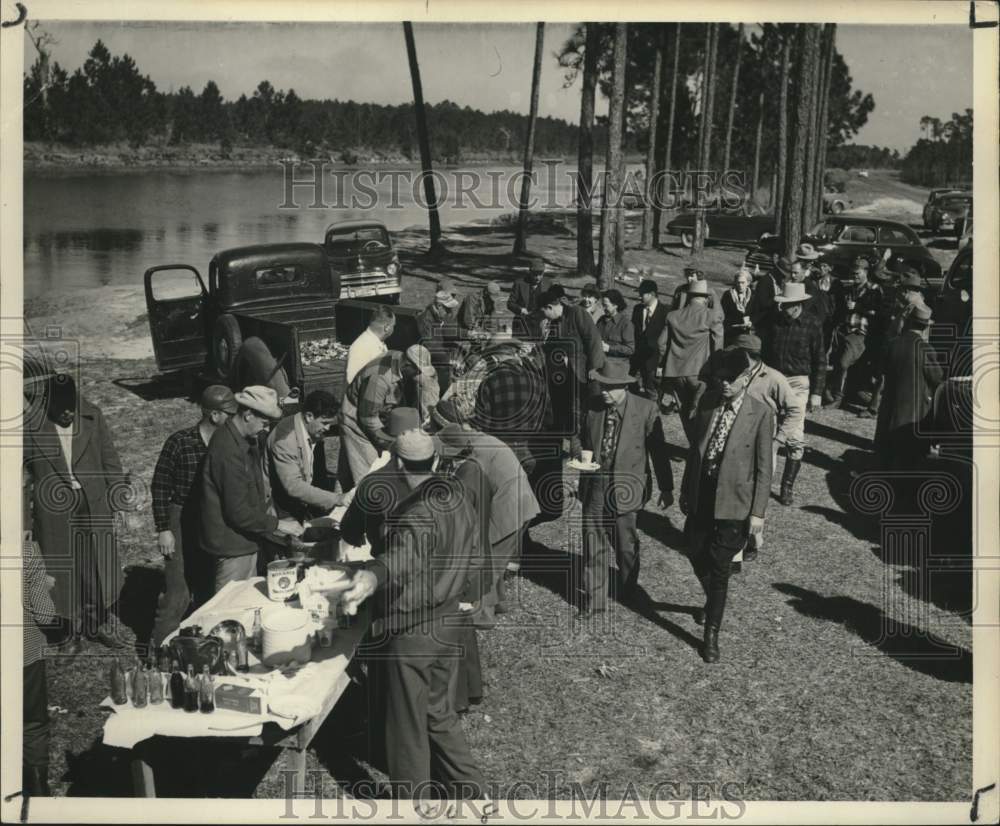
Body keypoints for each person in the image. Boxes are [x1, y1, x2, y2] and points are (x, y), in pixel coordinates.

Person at [340, 430, 489, 801]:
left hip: (415, 630)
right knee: (438, 714)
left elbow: (402, 559)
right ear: (436, 462)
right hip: (450, 620)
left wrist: (372, 575)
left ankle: (411, 806)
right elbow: (473, 552)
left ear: (399, 463)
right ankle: (476, 795)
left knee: (405, 727)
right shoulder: (456, 494)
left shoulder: (416, 515)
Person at [23, 374, 136, 652]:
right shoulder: (31, 425)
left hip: (91, 502)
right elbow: (20, 477)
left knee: (94, 566)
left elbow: (110, 459)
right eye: (61, 410)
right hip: (53, 510)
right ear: (48, 404)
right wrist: (24, 521)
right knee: (61, 570)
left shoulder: (92, 416)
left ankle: (94, 624)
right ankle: (67, 633)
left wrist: (119, 501)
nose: (68, 414)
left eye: (71, 407)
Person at [681, 348, 773, 663]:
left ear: (746, 378)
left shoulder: (761, 414)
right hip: (702, 495)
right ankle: (713, 602)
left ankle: (711, 636)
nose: (724, 386)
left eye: (731, 380)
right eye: (720, 379)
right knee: (694, 549)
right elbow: (695, 452)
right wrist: (685, 490)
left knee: (720, 566)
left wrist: (758, 513)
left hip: (735, 503)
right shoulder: (707, 403)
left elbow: (764, 469)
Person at [575, 361, 674, 618]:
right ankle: (595, 601)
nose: (603, 390)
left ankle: (629, 588)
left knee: (625, 544)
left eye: (609, 386)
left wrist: (666, 487)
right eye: (601, 385)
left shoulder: (645, 409)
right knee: (592, 540)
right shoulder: (593, 407)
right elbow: (578, 435)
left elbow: (659, 452)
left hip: (627, 486)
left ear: (624, 386)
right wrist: (580, 454)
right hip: (596, 483)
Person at [433, 398, 540, 620]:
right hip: (521, 501)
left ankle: (483, 616)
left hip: (510, 507)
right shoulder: (478, 439)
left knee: (488, 563)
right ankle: (498, 604)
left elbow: (469, 491)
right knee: (496, 560)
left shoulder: (474, 453)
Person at [699, 334, 802, 564]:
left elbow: (795, 409)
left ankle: (751, 543)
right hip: (734, 445)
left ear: (748, 355)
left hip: (761, 445)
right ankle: (729, 550)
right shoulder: (731, 373)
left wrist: (778, 440)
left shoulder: (774, 378)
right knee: (732, 497)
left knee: (755, 497)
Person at [149, 384, 237, 648]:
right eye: (229, 414)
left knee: (210, 586)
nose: (233, 419)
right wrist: (164, 528)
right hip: (180, 517)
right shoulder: (179, 442)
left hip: (212, 519)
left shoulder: (229, 444)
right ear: (215, 415)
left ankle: (201, 647)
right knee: (178, 592)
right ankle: (159, 650)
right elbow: (160, 485)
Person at [200, 386, 303, 592]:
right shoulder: (228, 451)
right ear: (247, 415)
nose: (266, 429)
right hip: (232, 546)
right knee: (230, 606)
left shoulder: (241, 440)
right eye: (264, 423)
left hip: (244, 541)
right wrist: (279, 525)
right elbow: (238, 512)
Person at [757, 282, 825, 506]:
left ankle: (787, 486)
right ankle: (764, 482)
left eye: (786, 305)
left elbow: (820, 361)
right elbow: (764, 352)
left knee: (794, 435)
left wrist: (816, 393)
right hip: (774, 379)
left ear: (797, 305)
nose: (782, 309)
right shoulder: (774, 322)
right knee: (770, 430)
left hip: (798, 383)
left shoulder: (813, 325)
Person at [338, 345, 438, 491]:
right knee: (368, 471)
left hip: (375, 411)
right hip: (356, 420)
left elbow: (428, 384)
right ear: (407, 364)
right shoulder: (378, 379)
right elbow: (368, 419)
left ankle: (339, 503)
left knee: (348, 470)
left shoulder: (401, 361)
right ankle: (365, 504)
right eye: (417, 371)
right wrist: (390, 443)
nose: (418, 375)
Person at [874, 305, 943, 470]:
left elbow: (880, 372)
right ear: (925, 327)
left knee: (888, 454)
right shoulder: (925, 349)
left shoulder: (893, 344)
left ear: (909, 322)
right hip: (913, 414)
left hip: (889, 409)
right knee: (908, 458)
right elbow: (937, 379)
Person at [538, 285, 605, 455]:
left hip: (582, 373)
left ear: (550, 307)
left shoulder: (577, 313)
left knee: (581, 413)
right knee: (568, 413)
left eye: (544, 312)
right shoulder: (554, 322)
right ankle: (572, 450)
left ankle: (584, 450)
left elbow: (594, 340)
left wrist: (594, 367)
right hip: (562, 375)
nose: (544, 317)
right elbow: (551, 347)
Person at [658, 279, 724, 446]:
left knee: (684, 412)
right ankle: (699, 449)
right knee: (702, 413)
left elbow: (660, 344)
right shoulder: (711, 316)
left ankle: (693, 446)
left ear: (689, 296)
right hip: (700, 373)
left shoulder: (673, 316)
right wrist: (717, 368)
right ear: (706, 298)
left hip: (675, 373)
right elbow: (718, 343)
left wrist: (663, 364)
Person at [267, 389, 349, 522]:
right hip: (279, 507)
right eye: (324, 423)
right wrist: (337, 499)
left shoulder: (309, 430)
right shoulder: (285, 441)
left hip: (296, 503)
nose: (328, 428)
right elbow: (293, 486)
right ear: (309, 416)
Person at [823, 256, 884, 408]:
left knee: (844, 364)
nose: (854, 277)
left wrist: (857, 307)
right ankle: (836, 392)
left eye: (857, 274)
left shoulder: (874, 290)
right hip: (844, 330)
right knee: (838, 363)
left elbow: (878, 313)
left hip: (860, 333)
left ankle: (838, 397)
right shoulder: (850, 289)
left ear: (866, 272)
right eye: (853, 274)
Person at [22, 535, 57, 797]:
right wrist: (44, 585)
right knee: (33, 724)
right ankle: (37, 790)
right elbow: (45, 615)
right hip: (25, 655)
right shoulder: (26, 550)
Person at [631, 278, 669, 399]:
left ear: (652, 294)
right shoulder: (637, 309)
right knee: (632, 387)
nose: (639, 296)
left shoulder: (665, 312)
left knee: (652, 391)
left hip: (654, 360)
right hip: (637, 357)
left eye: (642, 294)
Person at [346, 305, 396, 385]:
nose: (393, 329)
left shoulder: (378, 343)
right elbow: (351, 381)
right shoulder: (361, 347)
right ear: (387, 327)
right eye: (393, 326)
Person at [507, 259, 552, 330]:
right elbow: (510, 303)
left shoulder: (548, 283)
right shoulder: (519, 284)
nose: (537, 278)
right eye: (535, 274)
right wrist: (521, 310)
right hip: (522, 325)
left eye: (540, 274)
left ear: (543, 273)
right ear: (530, 272)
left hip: (540, 326)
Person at [596, 289, 636, 366]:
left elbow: (630, 349)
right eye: (602, 305)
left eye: (606, 306)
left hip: (617, 367)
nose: (603, 308)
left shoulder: (626, 324)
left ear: (615, 305)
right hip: (600, 362)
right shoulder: (601, 320)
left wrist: (609, 348)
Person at [720, 269, 754, 346]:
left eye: (743, 283)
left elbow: (757, 312)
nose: (740, 285)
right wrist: (737, 325)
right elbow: (722, 315)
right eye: (738, 282)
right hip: (731, 332)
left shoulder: (753, 295)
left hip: (748, 333)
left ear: (748, 283)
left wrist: (751, 322)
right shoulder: (728, 295)